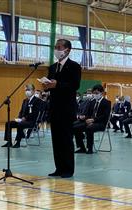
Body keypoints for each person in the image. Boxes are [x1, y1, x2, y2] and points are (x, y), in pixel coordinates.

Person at [42, 39, 81, 178]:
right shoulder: (52, 67)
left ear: (67, 50)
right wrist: (46, 86)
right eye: (55, 47)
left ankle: (68, 169)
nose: (57, 50)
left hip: (67, 109)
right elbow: (50, 84)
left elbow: (74, 85)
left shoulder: (74, 66)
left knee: (66, 140)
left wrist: (57, 85)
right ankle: (59, 168)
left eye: (59, 47)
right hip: (54, 108)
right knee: (56, 140)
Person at [73, 84, 111, 154]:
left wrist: (93, 120)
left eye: (97, 93)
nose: (95, 95)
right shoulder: (92, 102)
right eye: (94, 93)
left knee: (89, 128)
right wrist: (85, 118)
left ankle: (89, 148)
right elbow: (88, 114)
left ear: (102, 93)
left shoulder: (107, 103)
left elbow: (105, 116)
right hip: (90, 121)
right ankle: (81, 147)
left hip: (101, 123)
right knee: (75, 127)